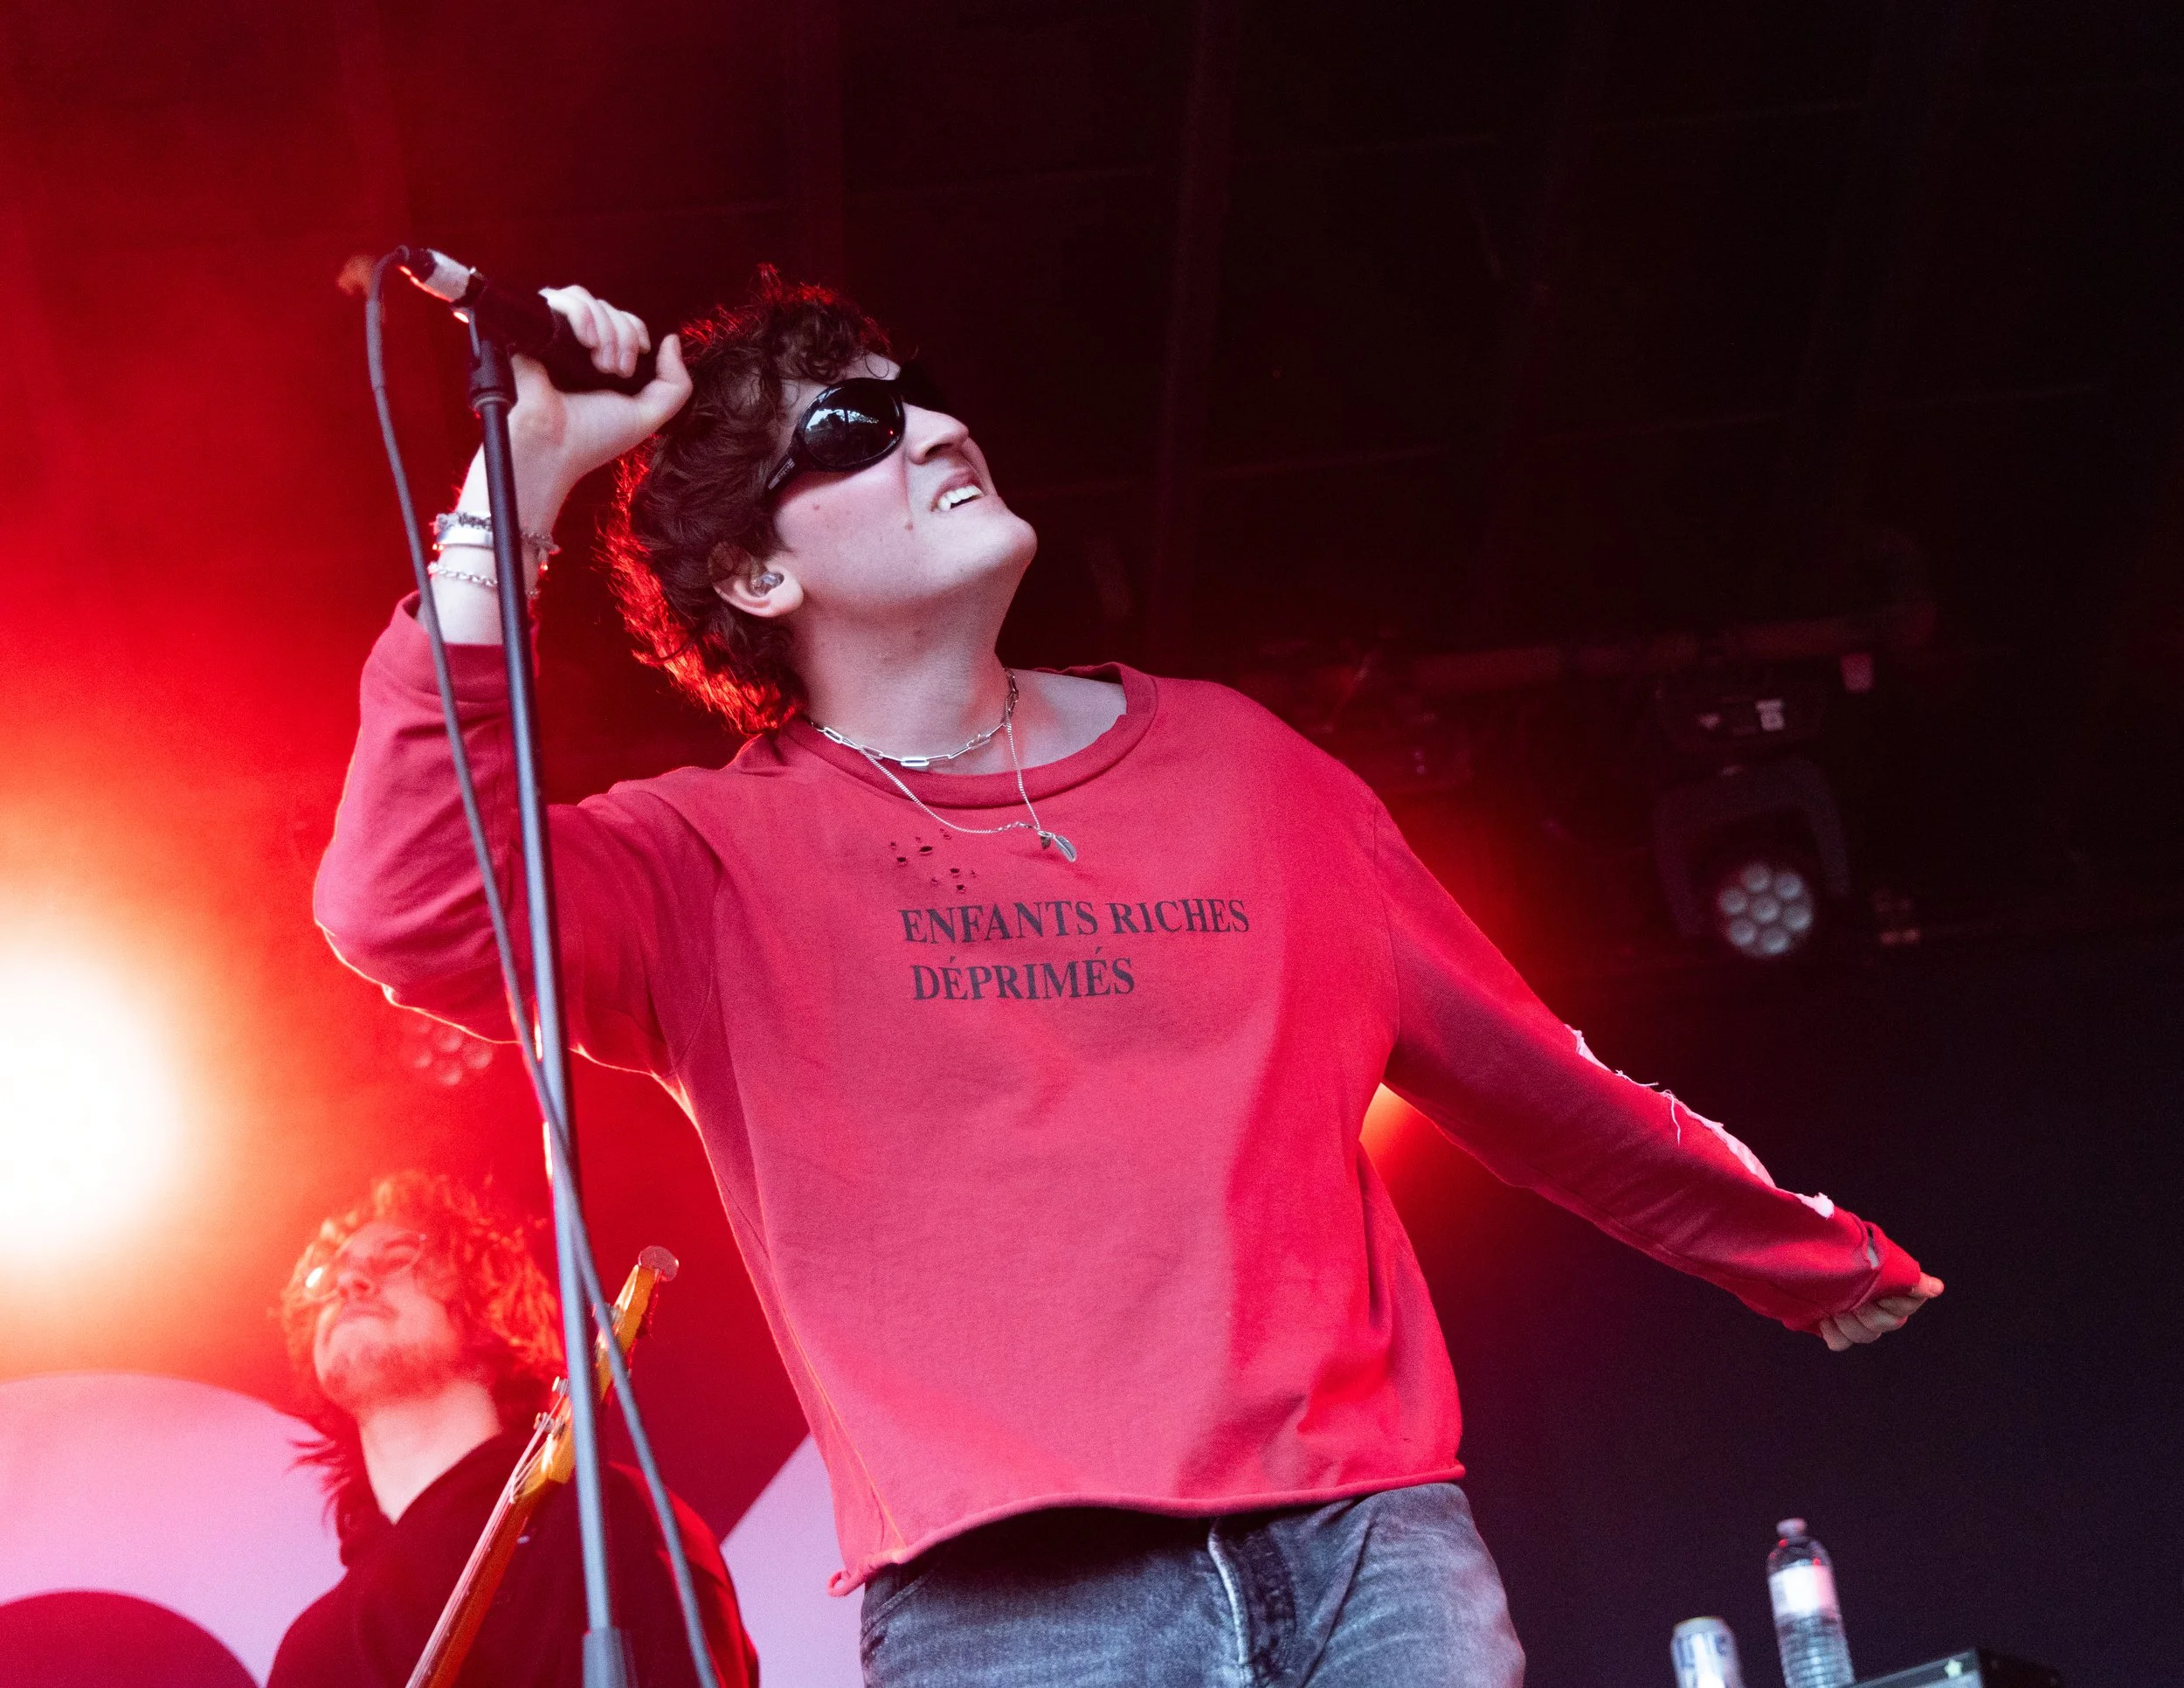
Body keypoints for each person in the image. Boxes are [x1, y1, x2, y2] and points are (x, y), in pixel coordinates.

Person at [314, 271, 1941, 1687]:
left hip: (1369, 1550)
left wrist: (1800, 1251)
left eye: (920, 397)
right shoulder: (704, 862)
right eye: (853, 432)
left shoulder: (1250, 769)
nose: (936, 433)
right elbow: (407, 901)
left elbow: (1523, 1068)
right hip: (1015, 1604)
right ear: (758, 578)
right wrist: (515, 488)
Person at [266, 1171, 759, 1688]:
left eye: (395, 1259)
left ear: (489, 1303)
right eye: (329, 1278)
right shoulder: (308, 1655)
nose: (350, 1283)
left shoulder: (603, 1528)